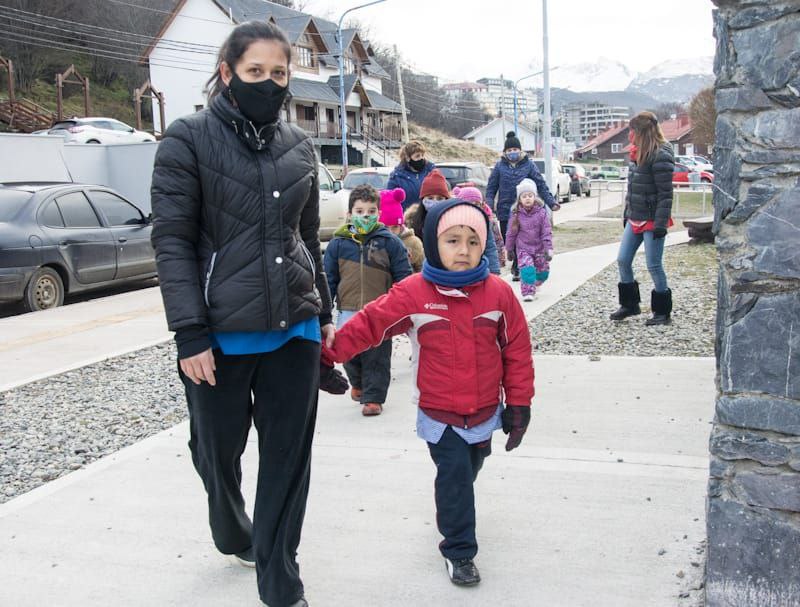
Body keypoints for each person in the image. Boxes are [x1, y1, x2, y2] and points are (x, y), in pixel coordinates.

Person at [150, 21, 345, 607]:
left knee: (288, 463)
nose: (268, 83)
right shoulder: (186, 139)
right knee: (215, 452)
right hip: (219, 337)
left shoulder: (299, 146)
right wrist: (189, 334)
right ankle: (231, 525)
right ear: (228, 72)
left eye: (279, 73)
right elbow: (173, 243)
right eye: (255, 71)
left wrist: (326, 311)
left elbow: (308, 237)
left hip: (296, 331)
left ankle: (281, 584)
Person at [321, 199, 533, 587]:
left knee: (469, 469)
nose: (464, 250)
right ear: (435, 243)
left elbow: (517, 350)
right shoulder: (415, 292)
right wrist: (326, 354)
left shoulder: (499, 294)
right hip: (440, 413)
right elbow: (370, 323)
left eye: (473, 241)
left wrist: (519, 403)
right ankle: (460, 551)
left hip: (485, 410)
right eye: (453, 240)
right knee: (453, 477)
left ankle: (459, 508)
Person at [323, 184, 413, 416]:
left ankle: (373, 398)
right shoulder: (338, 244)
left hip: (380, 312)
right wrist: (324, 307)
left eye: (371, 211)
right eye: (360, 211)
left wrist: (403, 306)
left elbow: (403, 277)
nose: (365, 216)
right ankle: (359, 384)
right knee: (349, 353)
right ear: (350, 214)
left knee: (377, 356)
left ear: (379, 213)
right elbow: (329, 279)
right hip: (348, 310)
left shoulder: (390, 243)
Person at [610, 111, 675, 326]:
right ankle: (630, 304)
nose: (630, 135)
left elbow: (665, 194)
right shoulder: (635, 154)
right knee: (623, 259)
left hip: (653, 219)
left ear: (643, 132)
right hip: (635, 216)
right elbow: (632, 188)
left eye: (633, 131)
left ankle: (662, 311)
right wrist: (627, 212)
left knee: (653, 264)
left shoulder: (661, 154)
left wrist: (660, 224)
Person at [486, 131, 559, 280]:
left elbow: (540, 184)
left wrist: (551, 202)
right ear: (505, 152)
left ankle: (519, 267)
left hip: (525, 210)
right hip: (506, 210)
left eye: (515, 150)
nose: (512, 152)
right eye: (509, 150)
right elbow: (491, 187)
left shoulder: (529, 165)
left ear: (520, 150)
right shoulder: (499, 166)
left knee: (522, 239)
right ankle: (517, 263)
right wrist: (488, 205)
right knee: (509, 240)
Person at [409, 170, 502, 275]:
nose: (434, 202)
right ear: (422, 200)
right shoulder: (411, 222)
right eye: (430, 198)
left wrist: (494, 271)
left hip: (462, 272)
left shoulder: (460, 219)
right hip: (426, 274)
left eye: (439, 198)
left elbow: (489, 247)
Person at [504, 179, 553, 301]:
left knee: (543, 273)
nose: (527, 198)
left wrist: (548, 248)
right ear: (519, 199)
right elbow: (511, 233)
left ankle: (535, 283)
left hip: (540, 248)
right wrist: (509, 249)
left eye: (530, 196)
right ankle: (527, 293)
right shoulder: (516, 214)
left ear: (534, 197)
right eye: (524, 196)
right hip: (523, 248)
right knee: (527, 269)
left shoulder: (542, 213)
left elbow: (546, 231)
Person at [452, 185, 506, 267]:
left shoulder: (486, 222)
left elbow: (492, 246)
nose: (473, 207)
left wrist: (495, 268)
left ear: (482, 205)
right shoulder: (453, 223)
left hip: (482, 264)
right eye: (469, 204)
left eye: (477, 204)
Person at [379, 187, 424, 272]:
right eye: (385, 227)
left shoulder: (413, 243)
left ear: (401, 225)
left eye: (395, 227)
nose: (391, 232)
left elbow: (421, 271)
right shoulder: (372, 243)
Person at [386, 140, 435, 210]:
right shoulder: (397, 177)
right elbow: (390, 200)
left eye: (422, 155)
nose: (421, 158)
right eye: (417, 156)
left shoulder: (431, 171)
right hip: (407, 217)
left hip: (428, 216)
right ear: (408, 158)